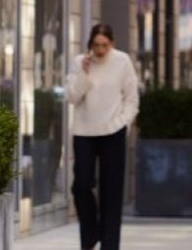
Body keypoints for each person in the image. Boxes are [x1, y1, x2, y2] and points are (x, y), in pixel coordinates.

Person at [66, 24, 139, 250]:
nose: (100, 50)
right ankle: (91, 235)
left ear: (112, 44)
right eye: (96, 45)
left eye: (104, 45)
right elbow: (71, 97)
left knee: (111, 191)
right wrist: (84, 74)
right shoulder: (80, 63)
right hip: (84, 131)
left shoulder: (122, 61)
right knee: (81, 185)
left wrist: (123, 123)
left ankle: (109, 245)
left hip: (113, 131)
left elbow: (131, 99)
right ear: (90, 45)